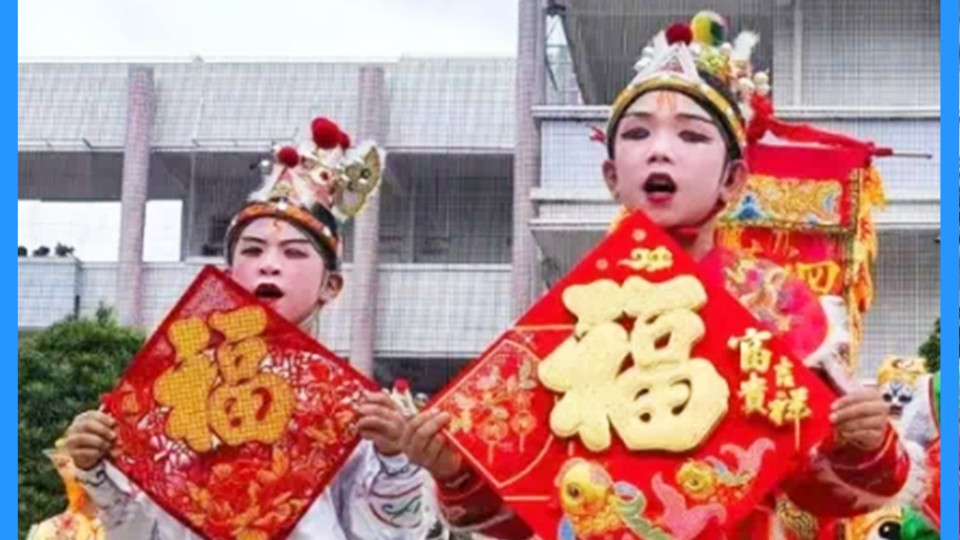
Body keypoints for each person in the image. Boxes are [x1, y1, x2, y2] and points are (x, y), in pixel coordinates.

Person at [401, 12, 914, 540]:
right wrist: (453, 469)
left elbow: (819, 492)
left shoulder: (776, 304)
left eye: (691, 136)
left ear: (733, 179)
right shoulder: (571, 314)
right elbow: (523, 508)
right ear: (611, 175)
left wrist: (865, 438)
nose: (659, 149)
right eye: (638, 133)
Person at [62, 116, 433, 539]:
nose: (269, 264)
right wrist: (95, 467)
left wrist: (395, 459)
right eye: (253, 250)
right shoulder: (180, 387)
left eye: (294, 253)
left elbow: (390, 534)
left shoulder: (352, 409)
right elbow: (141, 530)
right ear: (228, 273)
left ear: (331, 285)